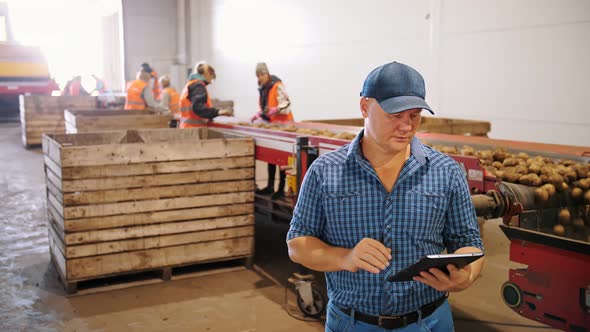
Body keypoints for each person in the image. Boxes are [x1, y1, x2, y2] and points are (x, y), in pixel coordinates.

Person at [286, 61, 484, 332]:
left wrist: (466, 276)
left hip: (428, 322)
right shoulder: (325, 172)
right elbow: (297, 244)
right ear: (365, 107)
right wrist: (345, 257)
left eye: (414, 115)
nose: (406, 126)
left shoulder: (446, 171)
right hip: (352, 323)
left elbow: (469, 243)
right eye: (395, 115)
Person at [251, 62, 294, 200]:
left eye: (261, 75)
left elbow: (286, 105)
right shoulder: (264, 88)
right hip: (272, 127)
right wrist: (260, 114)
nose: (260, 78)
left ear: (266, 73)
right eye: (258, 76)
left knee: (281, 159)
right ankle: (270, 186)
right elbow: (266, 108)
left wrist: (276, 110)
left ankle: (281, 189)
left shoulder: (277, 85)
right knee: (271, 158)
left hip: (284, 127)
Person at [178, 61, 232, 128]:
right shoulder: (198, 86)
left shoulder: (191, 84)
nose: (210, 82)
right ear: (207, 74)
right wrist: (219, 112)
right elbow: (198, 107)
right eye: (211, 78)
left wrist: (210, 117)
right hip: (194, 129)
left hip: (186, 128)